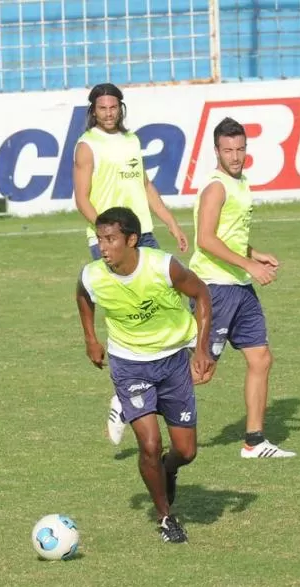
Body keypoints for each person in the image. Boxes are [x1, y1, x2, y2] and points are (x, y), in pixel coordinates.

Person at [76, 207, 214, 543]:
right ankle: (166, 517)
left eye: (110, 239)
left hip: (172, 360)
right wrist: (91, 339)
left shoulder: (162, 266)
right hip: (129, 364)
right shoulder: (94, 274)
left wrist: (201, 348)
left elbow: (201, 294)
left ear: (132, 239)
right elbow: (82, 295)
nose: (103, 247)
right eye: (99, 239)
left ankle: (168, 471)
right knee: (150, 444)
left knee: (186, 451)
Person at [71, 83, 190, 446]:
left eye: (113, 107)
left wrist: (169, 220)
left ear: (120, 108)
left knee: (171, 306)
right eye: (102, 108)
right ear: (93, 111)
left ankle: (145, 393)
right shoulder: (87, 146)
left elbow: (145, 185)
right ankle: (127, 394)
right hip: (112, 240)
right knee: (129, 307)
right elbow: (81, 198)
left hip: (144, 235)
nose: (108, 113)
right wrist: (107, 236)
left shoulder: (132, 140)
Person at [189, 117, 296, 459]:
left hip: (239, 285)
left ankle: (254, 441)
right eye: (228, 150)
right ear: (216, 151)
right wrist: (248, 264)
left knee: (261, 358)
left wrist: (254, 254)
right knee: (202, 372)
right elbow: (205, 239)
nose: (235, 156)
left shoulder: (242, 182)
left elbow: (229, 235)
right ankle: (134, 395)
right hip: (215, 288)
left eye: (240, 149)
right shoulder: (216, 187)